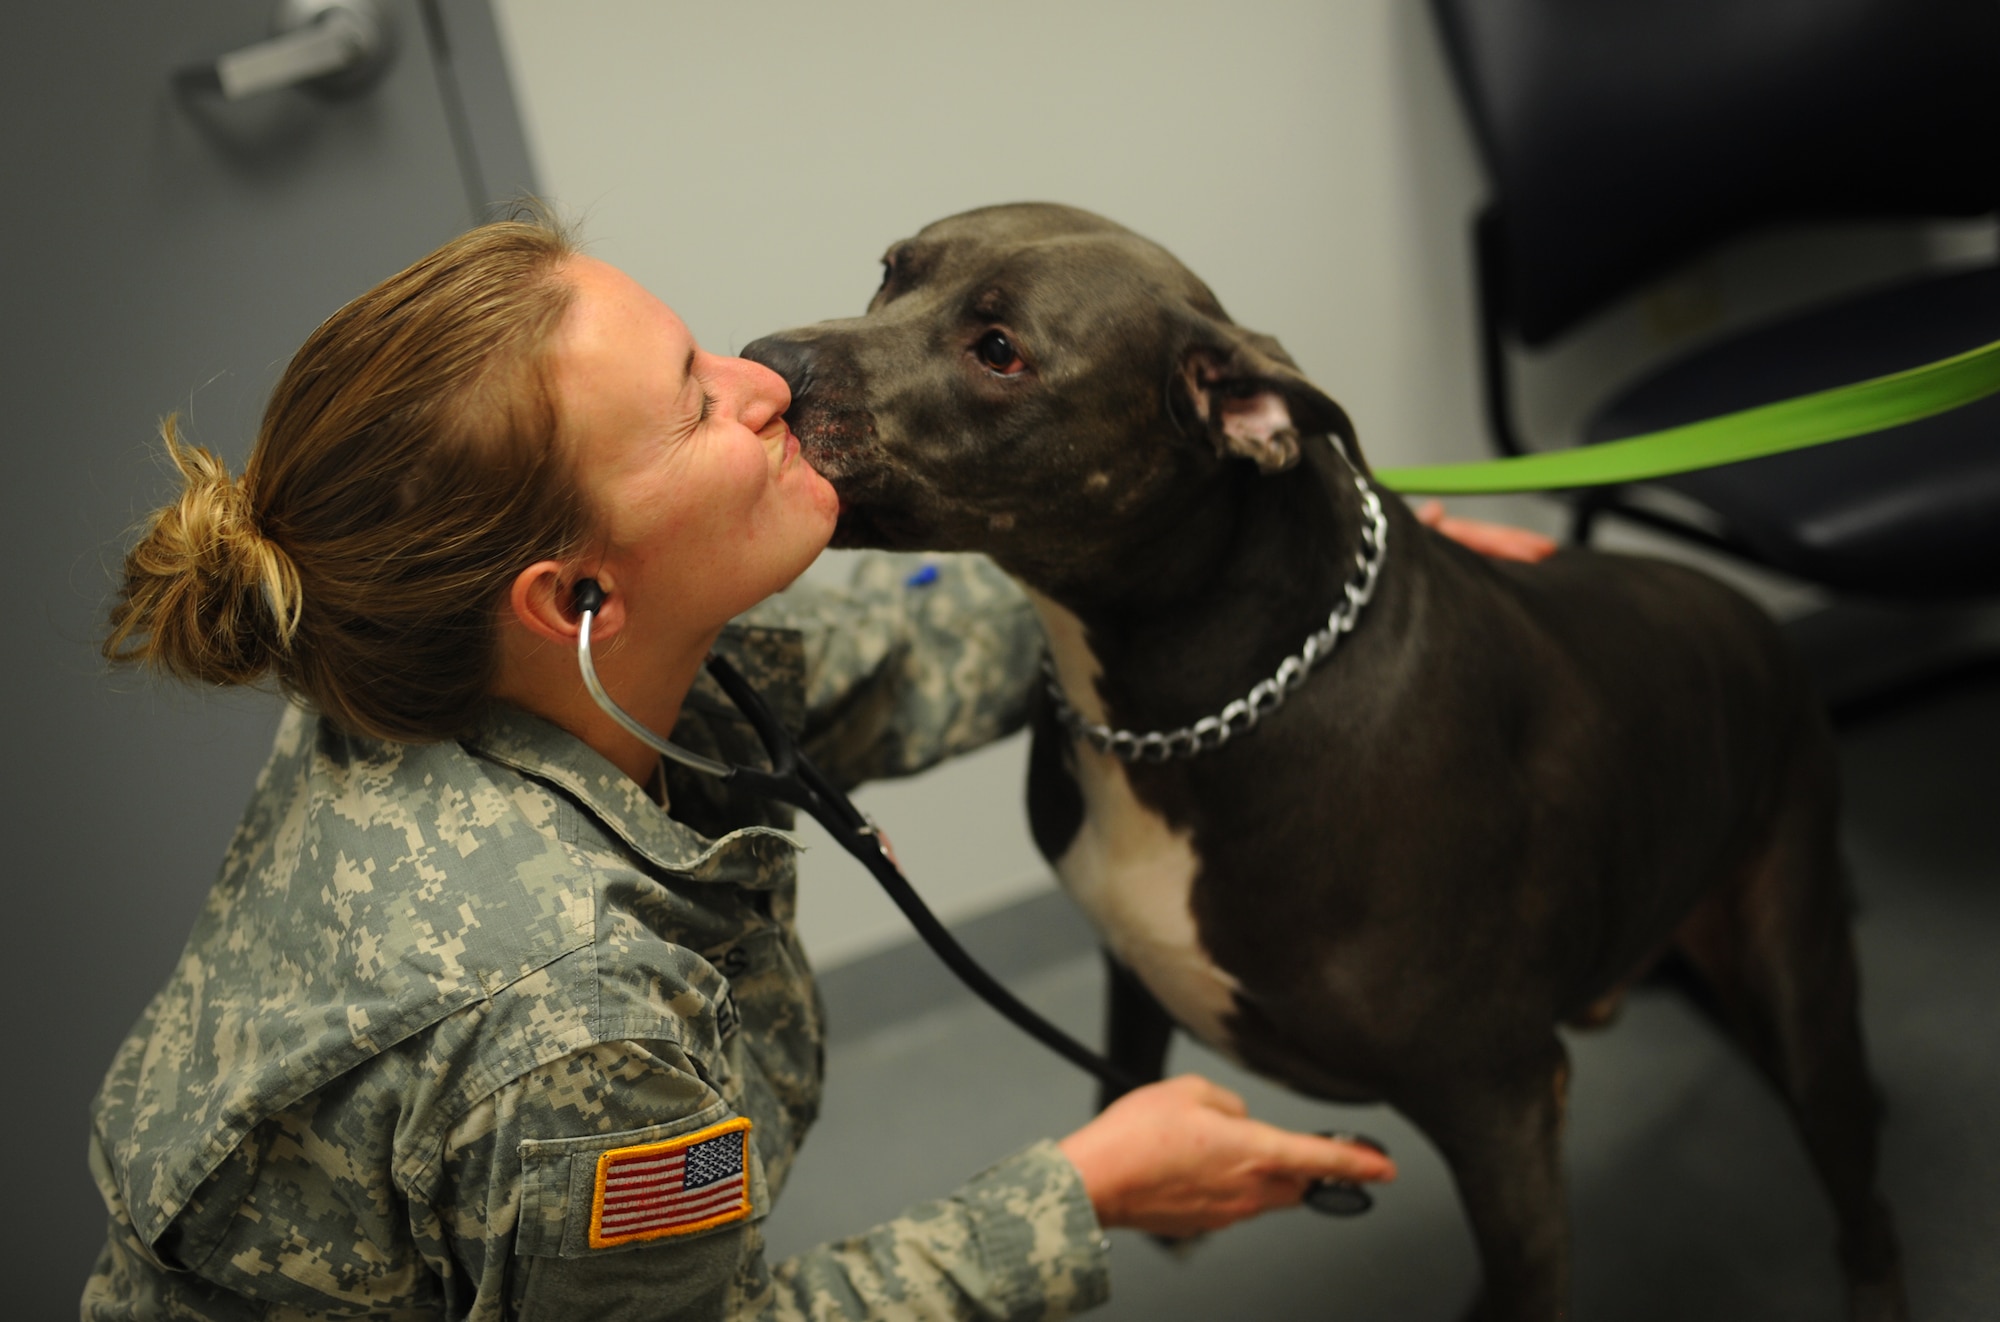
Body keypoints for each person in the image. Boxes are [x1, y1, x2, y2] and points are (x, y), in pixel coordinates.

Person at [84, 217, 1549, 1321]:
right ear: (574, 596)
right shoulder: (568, 1019)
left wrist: (1319, 569)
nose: (765, 376)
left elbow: (912, 655)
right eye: (691, 404)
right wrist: (1086, 1192)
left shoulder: (454, 664)